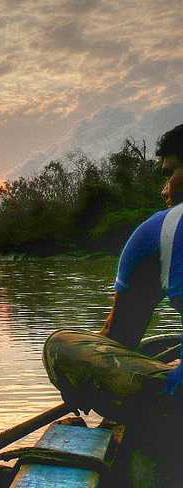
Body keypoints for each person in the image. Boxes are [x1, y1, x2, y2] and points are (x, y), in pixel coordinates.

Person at [99, 123, 183, 394]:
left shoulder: (162, 229)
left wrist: (80, 375)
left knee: (62, 346)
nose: (164, 190)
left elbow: (119, 338)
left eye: (170, 173)